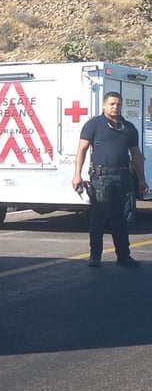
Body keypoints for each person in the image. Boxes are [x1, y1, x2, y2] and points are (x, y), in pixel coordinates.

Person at [72, 91, 147, 268]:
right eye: (112, 104)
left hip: (122, 177)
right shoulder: (94, 125)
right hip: (101, 178)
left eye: (118, 104)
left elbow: (136, 155)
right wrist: (77, 175)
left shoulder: (128, 127)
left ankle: (123, 256)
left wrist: (142, 180)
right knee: (98, 217)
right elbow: (82, 149)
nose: (115, 107)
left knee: (120, 219)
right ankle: (95, 256)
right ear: (104, 105)